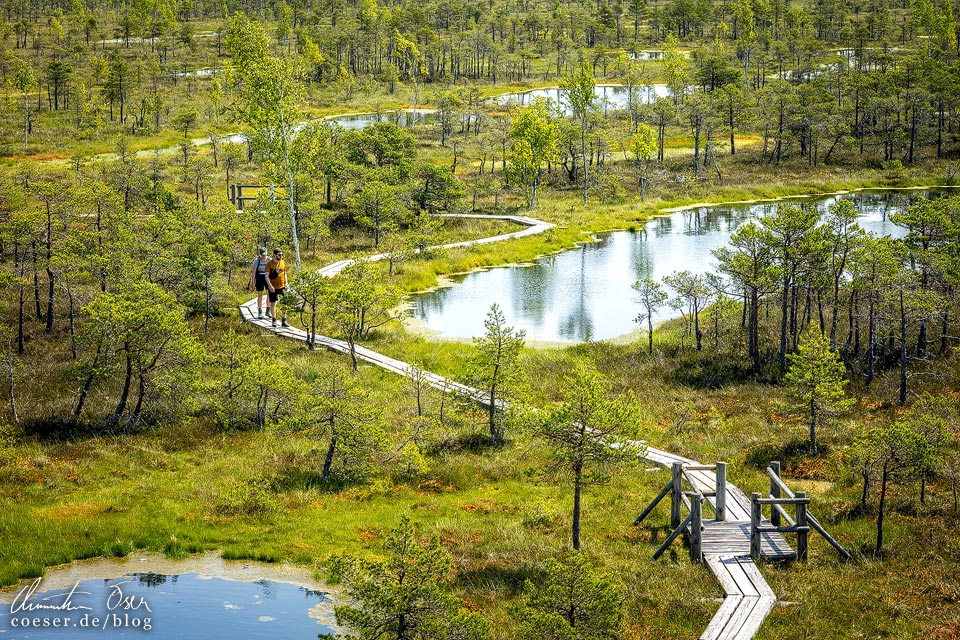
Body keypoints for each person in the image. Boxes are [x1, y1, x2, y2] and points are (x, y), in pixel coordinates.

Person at [265, 248, 288, 327]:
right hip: (273, 287)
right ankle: (274, 319)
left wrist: (286, 283)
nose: (281, 256)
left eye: (282, 255)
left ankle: (284, 320)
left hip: (282, 286)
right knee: (273, 303)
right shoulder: (269, 264)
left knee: (285, 302)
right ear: (274, 255)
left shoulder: (283, 262)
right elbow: (267, 276)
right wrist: (270, 285)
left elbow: (285, 273)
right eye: (279, 255)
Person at [249, 247, 269, 318]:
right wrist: (253, 282)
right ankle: (260, 311)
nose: (264, 256)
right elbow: (254, 272)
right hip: (259, 278)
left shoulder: (269, 259)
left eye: (265, 255)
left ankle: (267, 311)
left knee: (269, 294)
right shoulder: (256, 260)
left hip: (267, 278)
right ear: (260, 254)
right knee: (260, 294)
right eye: (263, 255)